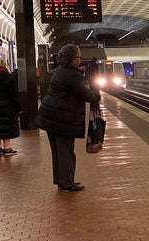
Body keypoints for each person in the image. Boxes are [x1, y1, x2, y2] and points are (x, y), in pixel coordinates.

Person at [35, 44, 102, 192]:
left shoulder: (60, 71)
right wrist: (96, 96)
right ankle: (67, 182)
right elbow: (85, 95)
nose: (80, 60)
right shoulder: (71, 75)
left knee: (58, 151)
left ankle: (61, 180)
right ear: (70, 59)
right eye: (77, 57)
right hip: (61, 118)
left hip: (51, 116)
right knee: (66, 151)